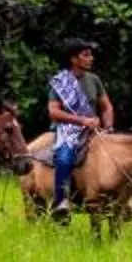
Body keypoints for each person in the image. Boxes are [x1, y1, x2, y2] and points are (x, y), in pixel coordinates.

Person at [46, 38, 105, 219]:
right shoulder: (61, 82)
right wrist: (81, 120)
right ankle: (61, 201)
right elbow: (53, 112)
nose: (91, 58)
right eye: (86, 55)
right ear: (74, 59)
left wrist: (108, 125)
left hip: (93, 129)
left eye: (91, 55)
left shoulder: (94, 80)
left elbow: (107, 106)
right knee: (64, 158)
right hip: (67, 130)